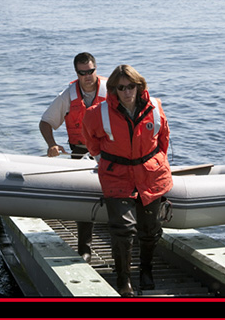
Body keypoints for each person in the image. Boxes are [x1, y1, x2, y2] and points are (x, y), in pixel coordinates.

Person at [82, 64, 173, 296]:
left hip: (150, 175)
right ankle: (124, 280)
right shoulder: (97, 113)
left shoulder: (155, 107)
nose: (126, 91)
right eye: (121, 88)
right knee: (123, 229)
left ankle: (146, 271)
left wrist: (156, 163)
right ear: (113, 89)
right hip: (117, 176)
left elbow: (163, 139)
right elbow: (90, 139)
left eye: (131, 86)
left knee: (150, 229)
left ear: (139, 86)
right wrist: (105, 160)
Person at [39, 52, 108, 263]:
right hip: (80, 152)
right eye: (82, 72)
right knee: (85, 199)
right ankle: (84, 248)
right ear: (76, 73)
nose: (88, 76)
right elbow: (45, 122)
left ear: (96, 69)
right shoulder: (68, 96)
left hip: (109, 152)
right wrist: (52, 144)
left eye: (91, 71)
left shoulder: (112, 91)